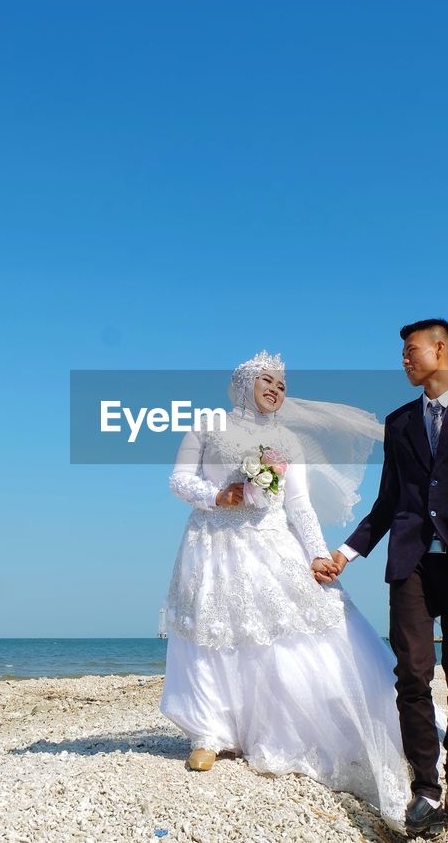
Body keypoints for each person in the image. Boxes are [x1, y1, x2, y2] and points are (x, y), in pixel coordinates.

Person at [160, 350, 409, 828]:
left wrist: (317, 552)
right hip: (214, 539)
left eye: (282, 384)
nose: (276, 390)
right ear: (244, 384)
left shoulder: (286, 438)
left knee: (282, 633)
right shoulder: (206, 424)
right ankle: (209, 733)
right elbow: (177, 479)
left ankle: (276, 729)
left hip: (272, 541)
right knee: (213, 632)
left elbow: (300, 506)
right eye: (267, 381)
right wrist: (217, 496)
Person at [326, 318, 448, 837]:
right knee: (411, 674)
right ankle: (424, 790)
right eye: (402, 353)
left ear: (440, 349)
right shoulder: (400, 422)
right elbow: (389, 503)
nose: (404, 360)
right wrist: (345, 553)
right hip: (410, 563)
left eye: (411, 351)